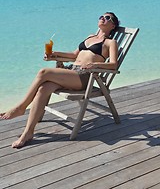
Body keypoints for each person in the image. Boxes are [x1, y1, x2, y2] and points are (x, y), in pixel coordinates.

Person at [0, 12, 119, 148]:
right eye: (101, 17)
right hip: (71, 72)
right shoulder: (90, 37)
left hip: (85, 77)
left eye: (107, 18)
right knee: (43, 88)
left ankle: (21, 107)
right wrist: (54, 54)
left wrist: (95, 65)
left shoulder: (110, 42)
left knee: (43, 72)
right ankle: (28, 132)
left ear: (113, 25)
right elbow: (74, 55)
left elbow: (113, 64)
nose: (103, 18)